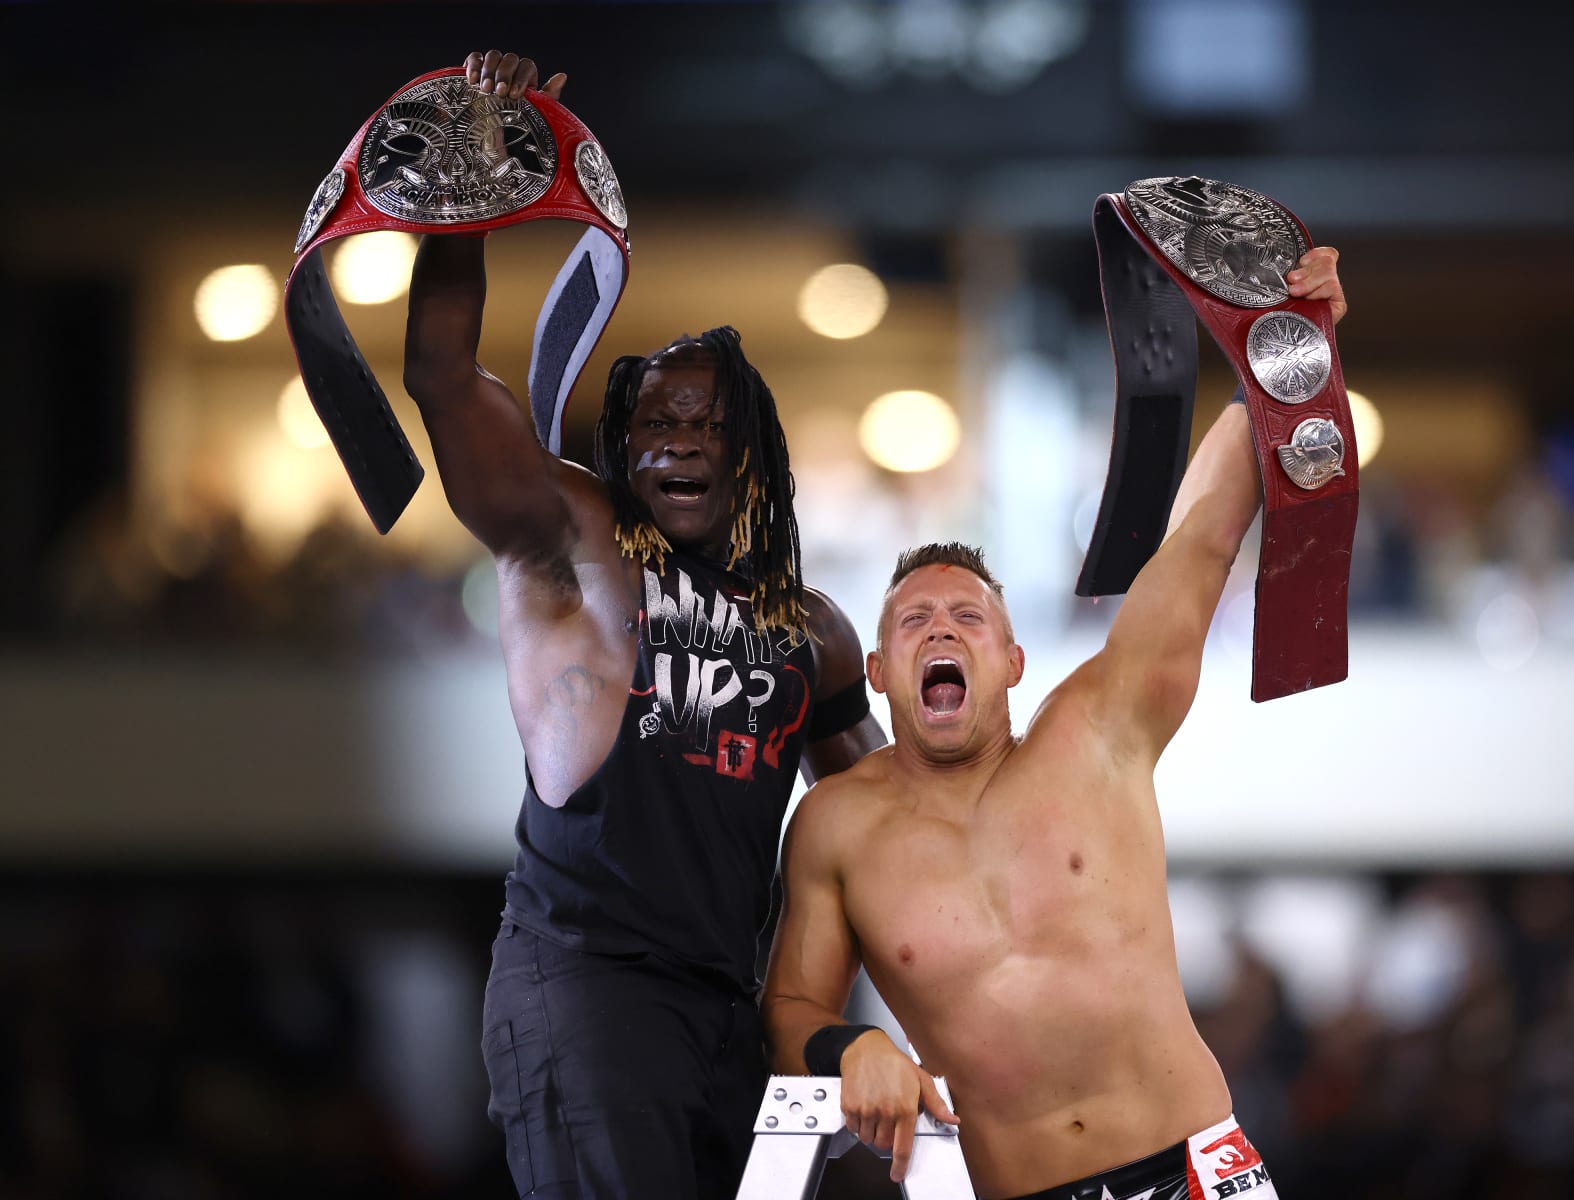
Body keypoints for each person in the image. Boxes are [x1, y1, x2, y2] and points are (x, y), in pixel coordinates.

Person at [403, 48, 886, 1200]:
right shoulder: (576, 533)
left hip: (736, 1003)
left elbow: (883, 827)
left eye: (703, 423)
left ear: (749, 456)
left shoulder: (811, 631)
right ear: (621, 451)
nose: (675, 439)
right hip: (589, 979)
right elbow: (439, 372)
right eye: (654, 423)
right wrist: (468, 181)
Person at [763, 249, 1347, 1197]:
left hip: (1202, 1166)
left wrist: (1290, 348)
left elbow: (1200, 538)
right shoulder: (836, 827)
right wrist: (849, 1045)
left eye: (968, 621)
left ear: (1011, 663)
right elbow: (789, 1005)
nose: (941, 630)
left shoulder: (1095, 732)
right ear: (880, 673)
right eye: (915, 622)